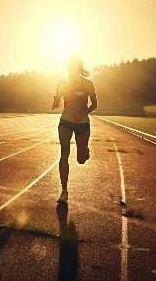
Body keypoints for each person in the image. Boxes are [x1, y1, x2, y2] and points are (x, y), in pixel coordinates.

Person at [51, 56, 98, 203]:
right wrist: (55, 102)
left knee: (81, 160)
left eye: (73, 65)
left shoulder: (87, 84)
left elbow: (94, 104)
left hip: (82, 123)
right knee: (64, 154)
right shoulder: (61, 84)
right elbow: (58, 99)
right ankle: (64, 191)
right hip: (65, 121)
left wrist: (83, 114)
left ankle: (85, 152)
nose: (70, 67)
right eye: (68, 64)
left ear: (78, 67)